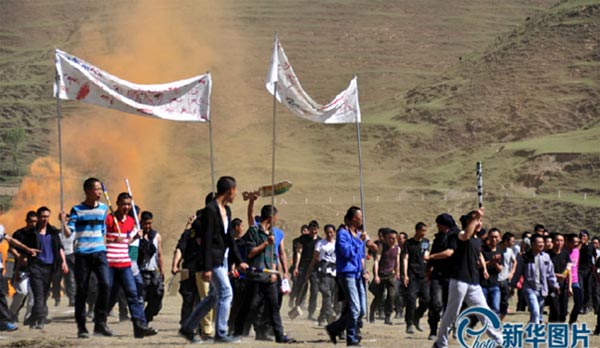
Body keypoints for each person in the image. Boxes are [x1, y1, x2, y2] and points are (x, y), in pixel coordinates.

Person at [179, 176, 249, 343]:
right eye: (235, 190)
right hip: (213, 259)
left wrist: (239, 260)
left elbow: (229, 239)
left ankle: (188, 328)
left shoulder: (227, 210)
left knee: (213, 296)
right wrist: (207, 267)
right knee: (226, 293)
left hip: (223, 258)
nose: (236, 194)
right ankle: (221, 333)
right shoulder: (210, 210)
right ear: (230, 190)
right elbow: (207, 239)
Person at [432, 208, 503, 348]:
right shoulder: (458, 235)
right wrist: (475, 218)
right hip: (459, 280)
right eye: (477, 220)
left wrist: (484, 268)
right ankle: (441, 343)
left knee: (485, 312)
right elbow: (465, 236)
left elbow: (479, 255)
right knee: (451, 314)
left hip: (474, 283)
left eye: (480, 220)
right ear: (471, 222)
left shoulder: (477, 240)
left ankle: (499, 342)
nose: (480, 223)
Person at [62, 177, 113, 338]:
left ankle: (100, 323)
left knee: (105, 285)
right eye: (97, 189)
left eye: (100, 189)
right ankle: (82, 327)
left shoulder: (103, 208)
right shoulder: (77, 210)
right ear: (87, 191)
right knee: (82, 290)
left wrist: (105, 246)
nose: (100, 192)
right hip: (83, 254)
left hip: (99, 252)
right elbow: (68, 233)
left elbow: (103, 229)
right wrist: (63, 222)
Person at [105, 193, 157, 338]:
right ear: (117, 203)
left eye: (128, 204)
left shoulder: (130, 222)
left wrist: (134, 237)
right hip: (111, 263)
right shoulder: (109, 219)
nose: (126, 207)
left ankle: (140, 326)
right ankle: (101, 322)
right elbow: (103, 239)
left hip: (126, 263)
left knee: (133, 294)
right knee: (111, 295)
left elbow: (127, 244)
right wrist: (114, 240)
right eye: (123, 204)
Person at [241, 205, 295, 343]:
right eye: (276, 216)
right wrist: (252, 201)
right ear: (271, 217)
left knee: (274, 305)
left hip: (272, 273)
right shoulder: (256, 231)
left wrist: (284, 273)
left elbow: (280, 253)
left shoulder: (277, 233)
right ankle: (241, 330)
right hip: (258, 274)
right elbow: (250, 219)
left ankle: (279, 335)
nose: (277, 219)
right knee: (254, 305)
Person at [326, 206, 368, 347]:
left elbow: (361, 256)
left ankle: (335, 328)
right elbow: (346, 252)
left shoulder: (358, 233)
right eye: (360, 217)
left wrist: (364, 270)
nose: (362, 219)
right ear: (354, 218)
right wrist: (359, 241)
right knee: (354, 307)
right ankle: (351, 338)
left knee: (361, 309)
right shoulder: (342, 234)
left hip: (357, 274)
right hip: (346, 273)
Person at [21, 207, 68, 329]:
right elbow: (24, 249)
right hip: (36, 267)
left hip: (50, 267)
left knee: (44, 294)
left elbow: (60, 247)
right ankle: (40, 320)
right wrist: (23, 260)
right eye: (42, 216)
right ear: (38, 217)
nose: (45, 219)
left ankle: (33, 319)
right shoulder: (31, 233)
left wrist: (64, 262)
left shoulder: (53, 232)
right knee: (38, 294)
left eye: (47, 216)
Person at [511, 234, 559, 324]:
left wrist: (554, 284)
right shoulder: (525, 257)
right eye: (539, 242)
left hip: (542, 289)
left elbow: (550, 273)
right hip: (530, 289)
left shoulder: (546, 257)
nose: (541, 244)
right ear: (532, 244)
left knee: (538, 315)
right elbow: (518, 273)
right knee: (535, 312)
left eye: (542, 242)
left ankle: (528, 333)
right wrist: (513, 286)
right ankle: (532, 335)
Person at [0, 223, 38, 331]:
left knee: (1, 296)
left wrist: (27, 249)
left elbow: (11, 240)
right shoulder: (17, 232)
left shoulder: (0, 228)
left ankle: (4, 322)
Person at [427, 213, 458, 340]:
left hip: (452, 276)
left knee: (449, 306)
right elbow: (432, 255)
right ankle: (433, 330)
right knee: (436, 304)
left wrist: (431, 257)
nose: (438, 227)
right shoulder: (438, 238)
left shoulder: (454, 237)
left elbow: (449, 252)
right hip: (437, 276)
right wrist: (427, 270)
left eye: (439, 224)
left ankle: (446, 330)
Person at [305, 224, 339, 326]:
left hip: (334, 272)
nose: (329, 234)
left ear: (334, 232)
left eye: (331, 232)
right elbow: (315, 258)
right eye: (327, 232)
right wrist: (309, 272)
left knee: (330, 296)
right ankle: (329, 316)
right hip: (323, 272)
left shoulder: (338, 244)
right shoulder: (320, 244)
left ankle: (321, 317)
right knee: (326, 293)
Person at [9, 211, 37, 322]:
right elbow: (11, 247)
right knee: (22, 292)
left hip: (35, 268)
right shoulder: (19, 233)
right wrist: (19, 257)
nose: (33, 224)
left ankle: (28, 317)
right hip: (21, 268)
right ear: (26, 221)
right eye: (31, 221)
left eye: (35, 221)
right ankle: (12, 313)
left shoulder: (38, 234)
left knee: (33, 295)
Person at [402, 222, 430, 334]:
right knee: (411, 300)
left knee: (427, 300)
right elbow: (405, 258)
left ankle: (416, 317)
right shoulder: (408, 243)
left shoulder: (426, 242)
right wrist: (405, 275)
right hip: (412, 275)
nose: (424, 233)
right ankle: (409, 324)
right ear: (417, 230)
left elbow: (426, 254)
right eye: (422, 231)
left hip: (423, 275)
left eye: (425, 231)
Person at [138, 211, 164, 324]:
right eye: (145, 223)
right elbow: (132, 255)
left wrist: (162, 270)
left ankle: (147, 317)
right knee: (141, 299)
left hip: (153, 272)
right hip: (140, 272)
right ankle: (141, 322)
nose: (147, 226)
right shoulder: (136, 236)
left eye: (149, 223)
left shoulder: (156, 236)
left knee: (157, 297)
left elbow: (159, 254)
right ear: (141, 222)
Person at [292, 220, 321, 320]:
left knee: (315, 290)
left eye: (315, 230)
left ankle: (311, 313)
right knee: (302, 288)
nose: (314, 232)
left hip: (314, 268)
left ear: (318, 229)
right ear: (309, 229)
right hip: (303, 266)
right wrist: (296, 267)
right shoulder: (303, 239)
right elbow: (299, 253)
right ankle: (297, 308)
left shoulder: (320, 241)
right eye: (312, 230)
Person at [369, 228, 400, 325]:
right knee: (379, 296)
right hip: (381, 274)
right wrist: (376, 275)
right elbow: (376, 261)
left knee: (391, 295)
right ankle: (372, 313)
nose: (392, 240)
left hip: (391, 274)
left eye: (394, 238)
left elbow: (397, 262)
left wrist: (397, 273)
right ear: (386, 239)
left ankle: (387, 316)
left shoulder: (397, 249)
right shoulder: (382, 246)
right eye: (390, 238)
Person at [547, 233, 571, 323]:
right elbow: (545, 271)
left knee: (564, 310)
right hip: (552, 287)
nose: (559, 242)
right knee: (554, 307)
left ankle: (560, 326)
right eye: (557, 240)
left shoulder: (565, 254)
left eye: (561, 240)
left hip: (563, 286)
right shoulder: (547, 254)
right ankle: (553, 327)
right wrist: (557, 275)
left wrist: (569, 286)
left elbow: (569, 267)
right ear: (553, 241)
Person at [480, 228, 503, 315]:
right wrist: (491, 262)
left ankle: (494, 327)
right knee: (483, 309)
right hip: (482, 284)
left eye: (496, 237)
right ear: (488, 237)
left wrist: (496, 263)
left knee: (496, 308)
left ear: (499, 238)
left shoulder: (500, 251)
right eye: (492, 237)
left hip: (495, 284)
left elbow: (500, 269)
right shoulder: (482, 250)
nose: (494, 239)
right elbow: (477, 265)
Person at [497, 232, 517, 320]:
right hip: (495, 280)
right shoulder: (496, 249)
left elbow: (515, 262)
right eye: (512, 241)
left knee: (504, 303)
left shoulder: (509, 250)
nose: (513, 243)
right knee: (495, 303)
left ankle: (500, 321)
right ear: (506, 241)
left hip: (505, 280)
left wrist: (512, 272)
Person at [566, 233, 584, 325]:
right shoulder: (564, 252)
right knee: (563, 305)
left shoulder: (576, 250)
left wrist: (581, 240)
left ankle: (572, 321)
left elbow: (580, 244)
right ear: (568, 242)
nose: (576, 244)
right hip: (564, 282)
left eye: (577, 242)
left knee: (579, 303)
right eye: (574, 242)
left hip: (575, 281)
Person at [579, 229, 595, 314]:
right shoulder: (578, 246)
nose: (582, 237)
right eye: (581, 236)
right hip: (580, 270)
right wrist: (580, 245)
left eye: (584, 236)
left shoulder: (591, 246)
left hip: (589, 270)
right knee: (581, 289)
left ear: (588, 237)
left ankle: (587, 306)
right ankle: (581, 306)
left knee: (588, 289)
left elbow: (595, 257)